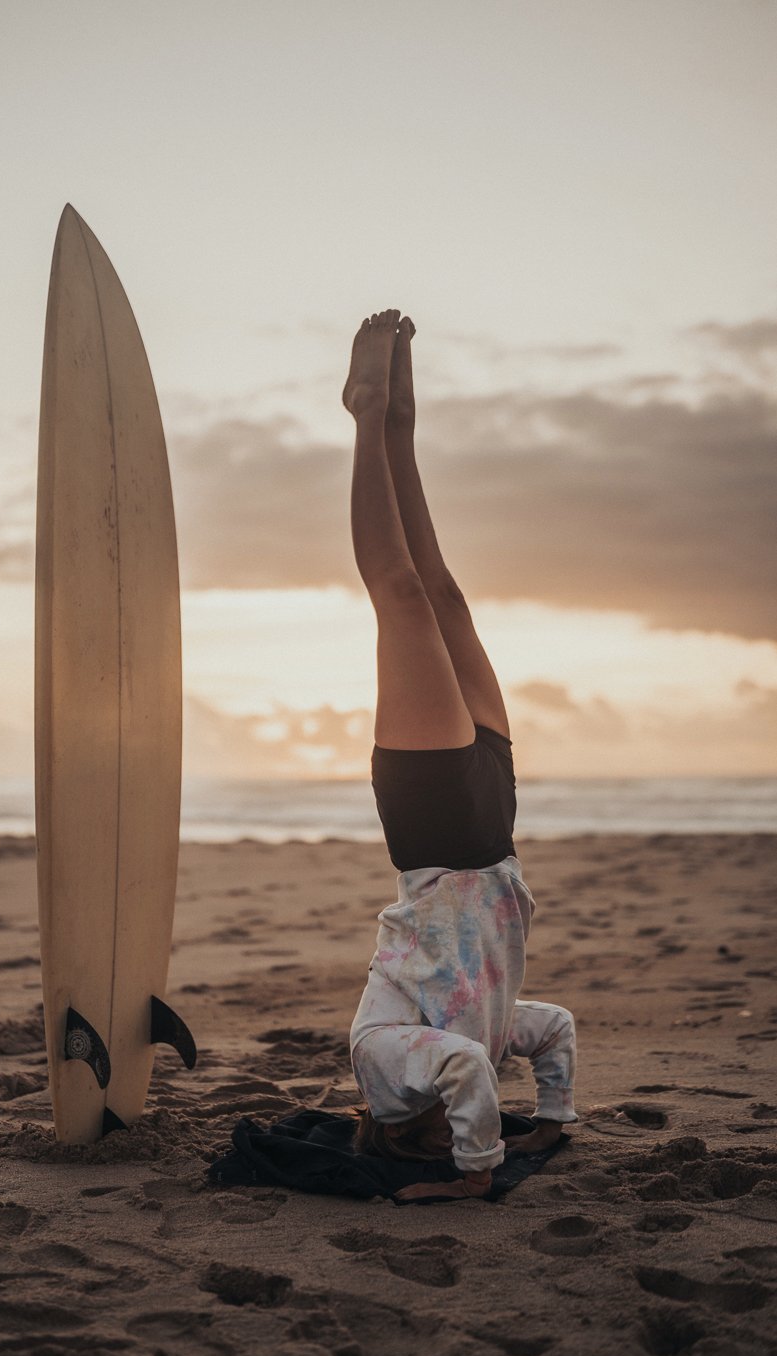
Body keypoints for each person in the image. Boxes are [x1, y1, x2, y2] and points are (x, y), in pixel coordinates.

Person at [343, 310, 577, 1202]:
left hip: (436, 834)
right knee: (445, 593)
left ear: (406, 1135)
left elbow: (465, 1081)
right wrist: (554, 1120)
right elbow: (550, 1028)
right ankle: (401, 421)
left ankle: (364, 415)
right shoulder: (478, 1037)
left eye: (438, 1142)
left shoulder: (390, 1069)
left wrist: (477, 1175)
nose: (457, 1127)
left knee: (398, 595)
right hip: (494, 821)